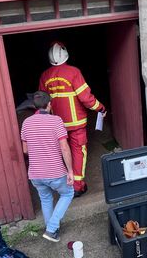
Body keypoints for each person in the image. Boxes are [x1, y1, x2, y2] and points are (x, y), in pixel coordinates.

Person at [39, 41, 106, 197]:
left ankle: (63, 184)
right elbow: (86, 98)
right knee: (78, 152)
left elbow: (42, 101)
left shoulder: (45, 76)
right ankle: (77, 186)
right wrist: (100, 108)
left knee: (62, 151)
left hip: (56, 124)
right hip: (76, 123)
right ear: (66, 55)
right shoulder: (73, 72)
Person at [21, 90, 74, 242]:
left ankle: (51, 230)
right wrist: (70, 170)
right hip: (55, 171)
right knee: (67, 193)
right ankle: (51, 229)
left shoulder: (26, 123)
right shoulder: (56, 121)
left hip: (35, 174)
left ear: (34, 106)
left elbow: (26, 150)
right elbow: (64, 147)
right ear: (49, 104)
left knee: (45, 199)